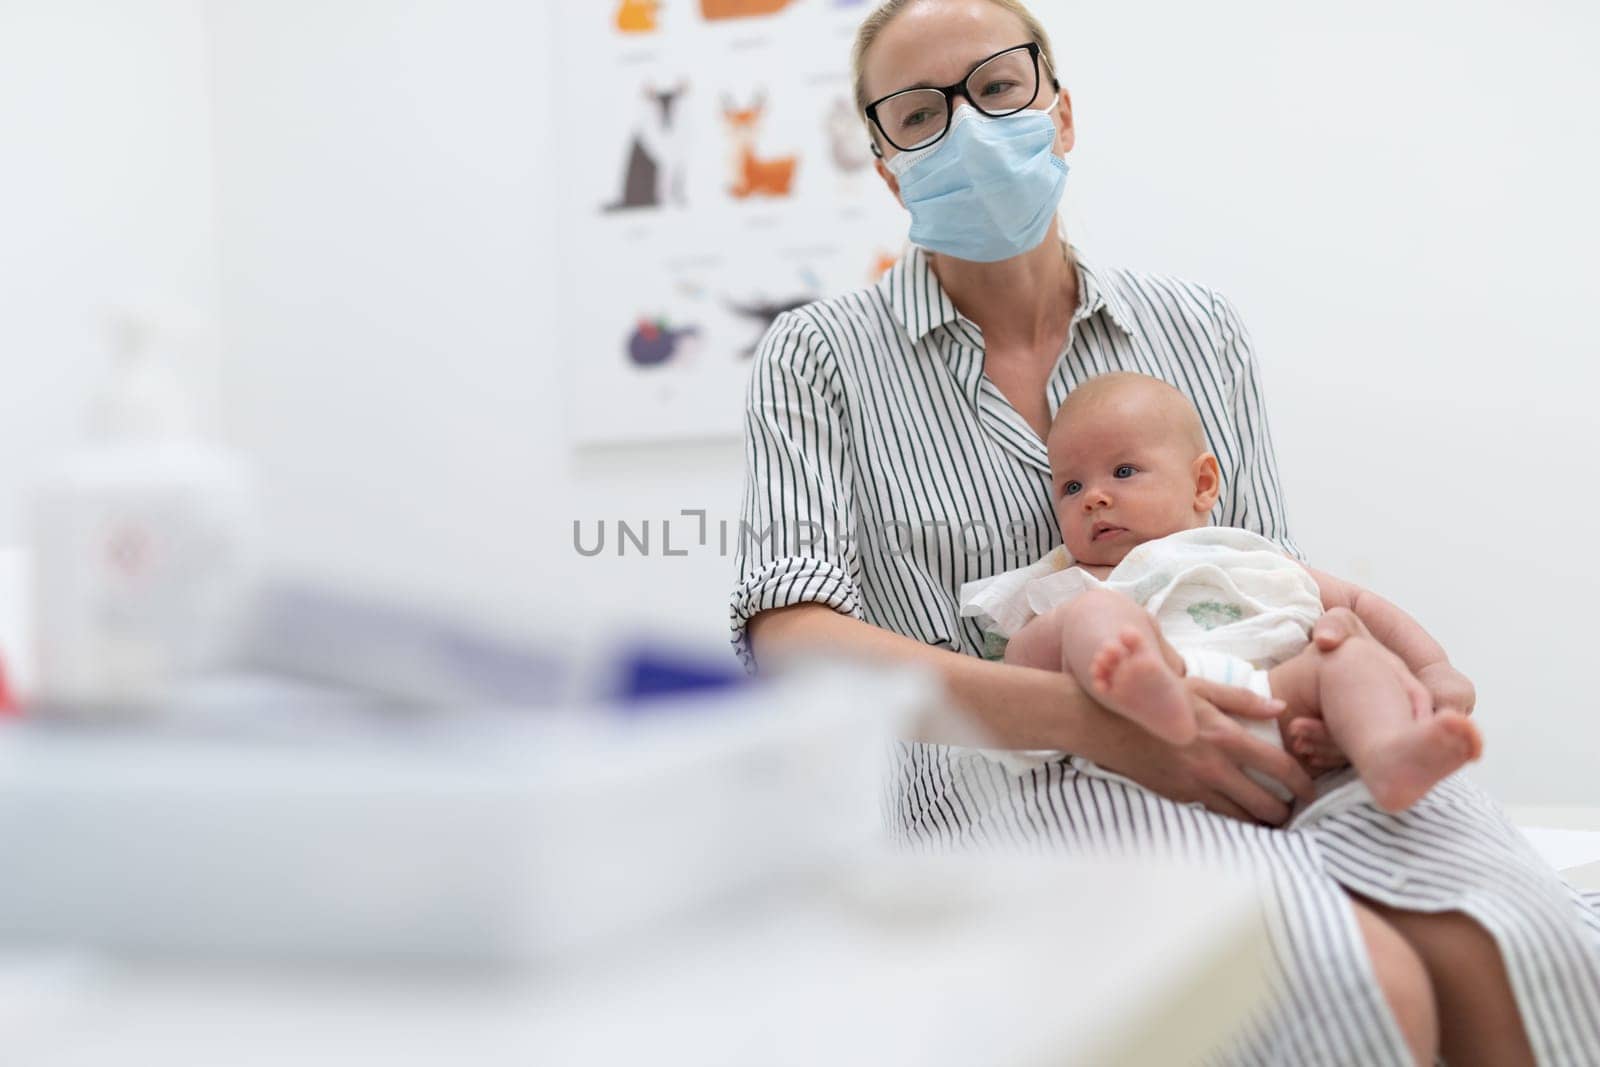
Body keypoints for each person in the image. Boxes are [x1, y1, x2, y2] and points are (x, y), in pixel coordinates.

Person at [729, 1, 1600, 1062]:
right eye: (918, 112)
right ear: (883, 163)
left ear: (1058, 109)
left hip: (1240, 708)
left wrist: (1376, 678)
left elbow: (1268, 575)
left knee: (1522, 936)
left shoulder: (1197, 327)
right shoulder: (817, 356)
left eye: (997, 88)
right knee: (1343, 971)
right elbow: (794, 640)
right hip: (1007, 778)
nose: (965, 127)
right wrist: (1087, 717)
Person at [974, 372, 1482, 813]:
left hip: (1282, 700)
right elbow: (1018, 662)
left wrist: (1432, 668)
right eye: (1071, 488)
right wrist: (1073, 629)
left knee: (1347, 659)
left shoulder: (1248, 551)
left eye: (1123, 472)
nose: (1095, 499)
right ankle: (1144, 679)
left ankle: (1387, 755)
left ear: (1203, 484)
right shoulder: (1078, 579)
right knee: (1091, 616)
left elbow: (1356, 604)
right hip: (1145, 730)